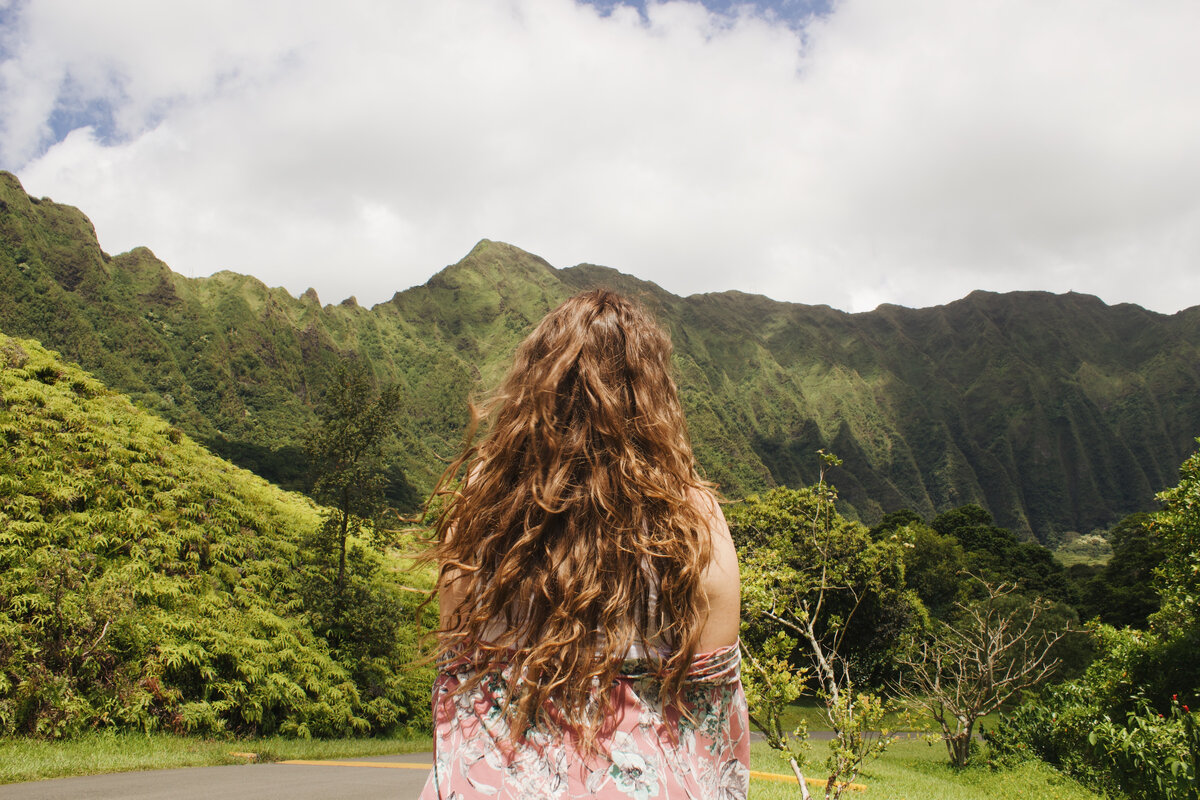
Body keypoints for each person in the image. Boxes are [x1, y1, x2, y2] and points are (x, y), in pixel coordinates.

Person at [419, 289, 748, 800]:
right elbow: (713, 711)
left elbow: (458, 662)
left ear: (535, 383)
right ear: (654, 394)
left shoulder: (487, 494)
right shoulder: (694, 513)